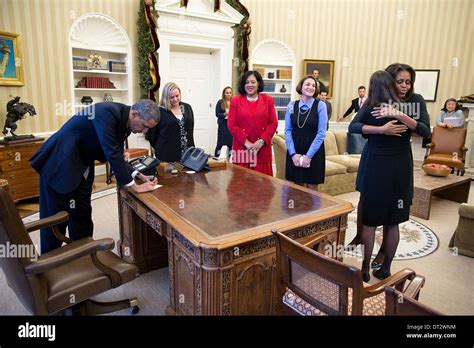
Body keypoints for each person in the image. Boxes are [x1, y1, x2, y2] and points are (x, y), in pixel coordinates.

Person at [30, 100, 160, 254]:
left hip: (82, 166)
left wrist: (138, 174)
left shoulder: (126, 122)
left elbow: (117, 154)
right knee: (54, 221)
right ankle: (49, 264)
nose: (145, 131)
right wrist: (135, 187)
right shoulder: (107, 112)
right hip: (59, 163)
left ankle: (84, 255)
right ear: (135, 114)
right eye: (144, 126)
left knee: (82, 214)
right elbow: (111, 152)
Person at [348, 67, 430, 282]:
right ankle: (379, 268)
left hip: (393, 167)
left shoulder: (410, 103)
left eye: (408, 82)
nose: (404, 85)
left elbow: (425, 130)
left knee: (380, 222)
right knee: (384, 221)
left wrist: (397, 115)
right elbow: (354, 126)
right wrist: (381, 130)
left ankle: (370, 268)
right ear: (391, 82)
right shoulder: (376, 104)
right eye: (400, 81)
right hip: (384, 166)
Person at [228, 70, 278, 176]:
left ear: (258, 83)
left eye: (253, 82)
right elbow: (231, 125)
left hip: (262, 149)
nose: (249, 85)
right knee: (241, 187)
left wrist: (261, 142)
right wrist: (247, 143)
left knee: (262, 187)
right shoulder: (235, 101)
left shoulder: (268, 100)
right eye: (247, 82)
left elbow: (273, 123)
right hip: (242, 148)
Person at [285, 75, 327, 191]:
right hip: (295, 149)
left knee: (312, 189)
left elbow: (321, 134)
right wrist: (293, 154)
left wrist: (308, 156)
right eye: (308, 84)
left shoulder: (321, 106)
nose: (311, 87)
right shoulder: (291, 106)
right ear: (301, 87)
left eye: (314, 85)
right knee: (297, 190)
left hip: (314, 151)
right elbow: (288, 131)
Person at [146, 82, 195, 162]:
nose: (175, 99)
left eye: (177, 96)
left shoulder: (186, 107)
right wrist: (161, 148)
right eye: (171, 97)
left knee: (189, 174)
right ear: (166, 97)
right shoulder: (160, 112)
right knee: (171, 174)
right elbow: (151, 135)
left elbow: (190, 129)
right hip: (168, 156)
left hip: (188, 154)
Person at [214, 86, 234, 157]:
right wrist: (224, 114)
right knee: (220, 143)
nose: (228, 94)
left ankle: (229, 158)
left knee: (230, 144)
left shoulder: (234, 102)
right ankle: (216, 157)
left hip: (230, 125)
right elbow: (217, 114)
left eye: (230, 93)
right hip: (223, 125)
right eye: (227, 93)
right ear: (224, 94)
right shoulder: (220, 102)